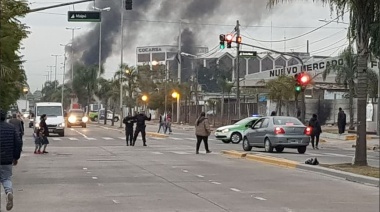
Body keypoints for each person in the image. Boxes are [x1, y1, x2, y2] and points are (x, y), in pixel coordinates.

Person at [0, 109, 22, 211]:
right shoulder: (11, 128)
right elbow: (18, 143)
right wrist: (16, 157)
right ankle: (8, 192)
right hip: (7, 159)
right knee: (6, 178)